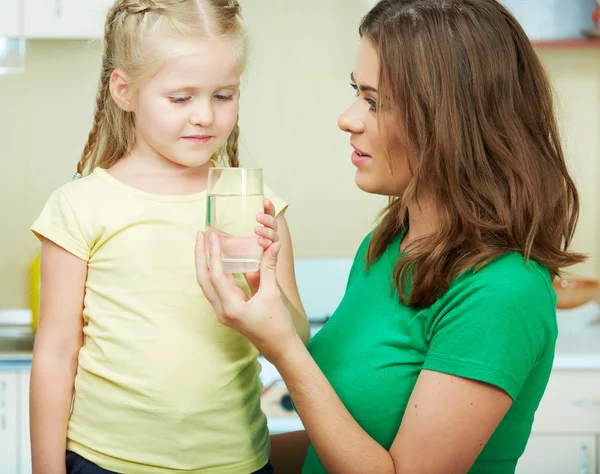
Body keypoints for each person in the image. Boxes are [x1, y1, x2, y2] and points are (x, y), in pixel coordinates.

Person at [195, 0, 586, 472]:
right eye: (356, 93)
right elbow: (335, 446)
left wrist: (284, 348)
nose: (348, 118)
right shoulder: (390, 244)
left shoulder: (501, 292)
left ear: (451, 121)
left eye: (374, 102)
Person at [29, 1, 309, 473]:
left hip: (235, 462)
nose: (205, 116)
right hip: (105, 462)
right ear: (125, 91)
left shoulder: (257, 208)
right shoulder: (79, 206)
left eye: (223, 95)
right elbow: (56, 353)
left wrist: (266, 289)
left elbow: (296, 338)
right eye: (181, 98)